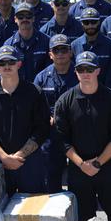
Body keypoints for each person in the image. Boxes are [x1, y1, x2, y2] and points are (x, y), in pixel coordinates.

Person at [53, 51, 111, 221]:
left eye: (90, 69)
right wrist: (81, 164)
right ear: (75, 71)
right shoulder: (65, 101)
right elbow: (62, 140)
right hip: (79, 170)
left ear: (98, 70)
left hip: (109, 168)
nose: (85, 73)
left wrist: (97, 163)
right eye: (81, 69)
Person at [0, 45, 50, 195]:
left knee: (33, 209)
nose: (7, 66)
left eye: (11, 62)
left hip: (30, 163)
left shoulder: (34, 92)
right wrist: (4, 157)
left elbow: (42, 129)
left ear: (19, 63)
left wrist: (19, 156)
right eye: (2, 63)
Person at [33, 35, 78, 192]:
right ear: (50, 54)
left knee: (79, 178)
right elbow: (35, 107)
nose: (60, 53)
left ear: (70, 52)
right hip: (51, 133)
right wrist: (48, 118)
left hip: (77, 132)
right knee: (51, 176)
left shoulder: (81, 74)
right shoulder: (41, 78)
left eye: (63, 49)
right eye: (56, 50)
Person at [71, 8, 111, 89]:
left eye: (93, 22)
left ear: (99, 22)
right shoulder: (74, 46)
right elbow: (73, 74)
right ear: (81, 24)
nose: (90, 26)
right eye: (86, 22)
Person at [3, 2, 51, 82]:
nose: (24, 19)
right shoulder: (9, 45)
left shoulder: (46, 41)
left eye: (28, 16)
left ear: (33, 18)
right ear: (15, 19)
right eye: (20, 17)